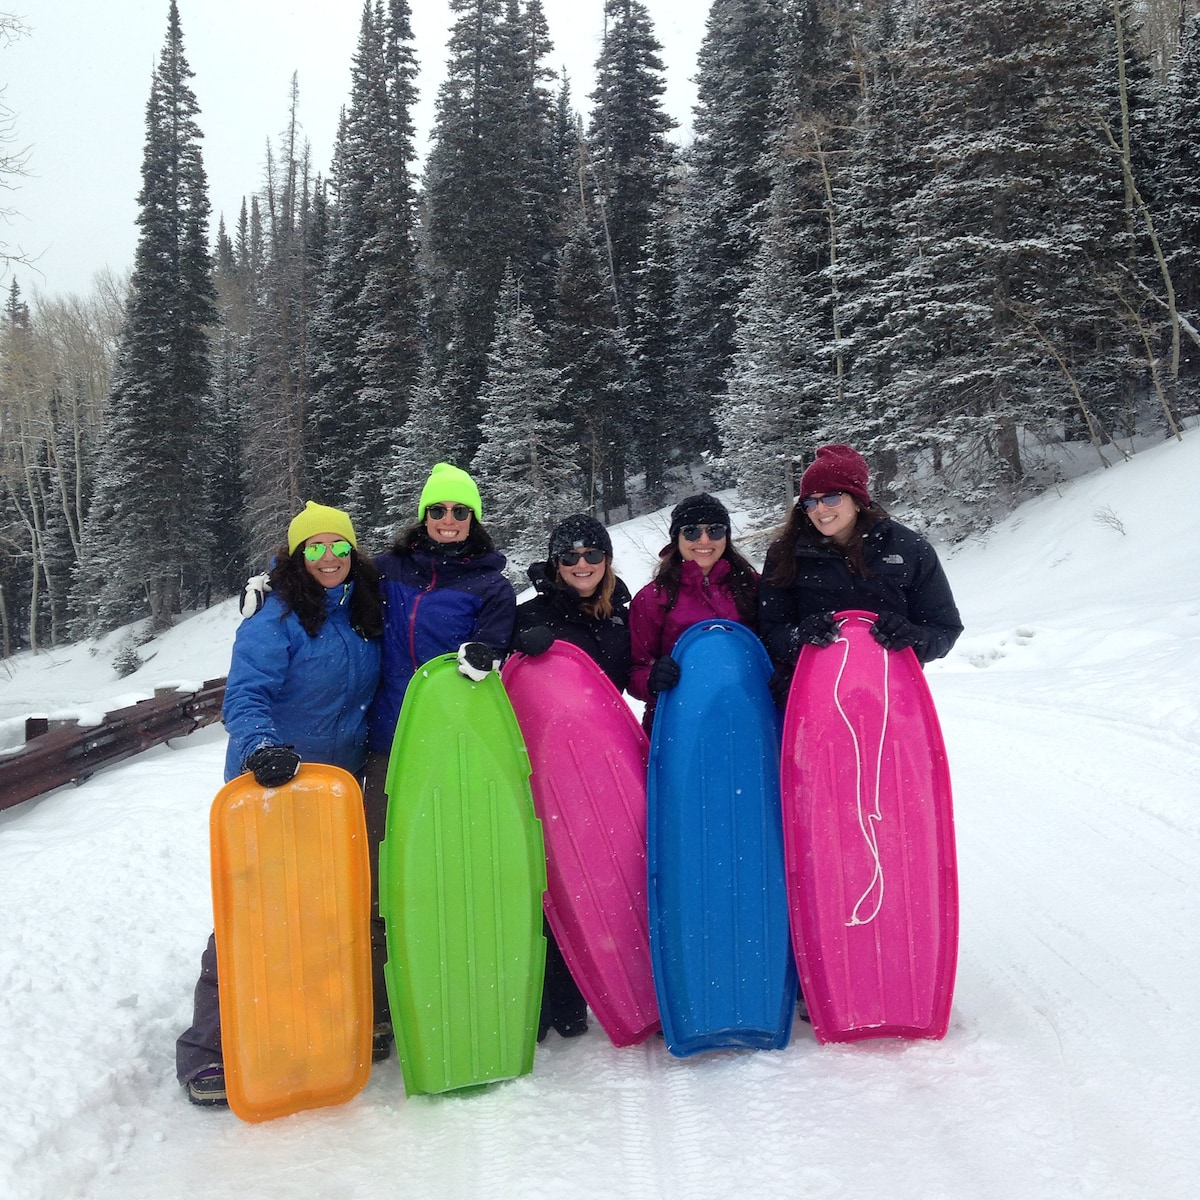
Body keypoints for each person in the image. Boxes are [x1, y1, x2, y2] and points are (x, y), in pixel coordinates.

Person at [177, 502, 383, 1107]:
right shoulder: (274, 620)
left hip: (335, 788)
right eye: (314, 547)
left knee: (328, 907)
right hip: (269, 783)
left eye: (337, 546)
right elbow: (244, 697)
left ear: (352, 551)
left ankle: (314, 1024)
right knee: (255, 912)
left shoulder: (366, 612)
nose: (328, 558)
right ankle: (209, 1050)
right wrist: (264, 747)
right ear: (296, 556)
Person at [509, 513, 633, 1041]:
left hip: (607, 761)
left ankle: (610, 976)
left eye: (591, 554)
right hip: (546, 765)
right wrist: (518, 644)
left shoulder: (622, 615)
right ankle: (552, 995)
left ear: (605, 560)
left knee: (605, 864)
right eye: (569, 556)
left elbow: (638, 671)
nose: (581, 564)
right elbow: (493, 669)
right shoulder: (531, 612)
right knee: (553, 870)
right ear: (555, 564)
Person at [758, 443, 963, 698]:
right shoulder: (785, 553)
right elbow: (769, 631)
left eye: (831, 498)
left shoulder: (909, 549)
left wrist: (912, 637)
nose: (820, 510)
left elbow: (944, 628)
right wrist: (799, 639)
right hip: (814, 694)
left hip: (892, 693)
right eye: (810, 502)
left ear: (857, 501)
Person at [628, 493, 759, 732]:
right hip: (679, 726)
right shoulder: (652, 598)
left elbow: (775, 646)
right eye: (691, 531)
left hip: (748, 719)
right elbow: (634, 671)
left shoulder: (753, 587)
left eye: (715, 530)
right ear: (676, 538)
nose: (704, 540)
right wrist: (652, 679)